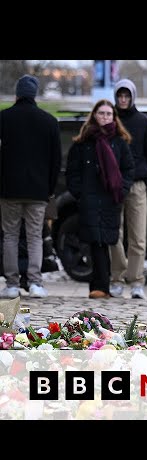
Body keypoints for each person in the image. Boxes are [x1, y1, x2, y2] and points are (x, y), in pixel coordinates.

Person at [65, 99, 135, 299]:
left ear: (114, 117)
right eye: (101, 113)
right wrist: (80, 193)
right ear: (94, 115)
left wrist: (121, 190)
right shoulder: (83, 142)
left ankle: (103, 286)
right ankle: (99, 287)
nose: (105, 117)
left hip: (111, 199)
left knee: (106, 242)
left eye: (108, 114)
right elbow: (72, 172)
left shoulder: (120, 142)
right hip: (89, 199)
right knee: (94, 242)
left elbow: (128, 169)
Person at [0, 74, 62, 299]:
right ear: (35, 94)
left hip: (9, 189)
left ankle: (12, 283)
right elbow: (56, 160)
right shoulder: (48, 121)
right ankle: (35, 282)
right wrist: (49, 188)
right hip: (38, 190)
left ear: (17, 94)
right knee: (35, 236)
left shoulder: (4, 118)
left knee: (10, 236)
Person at [109, 79, 147, 300]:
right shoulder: (109, 121)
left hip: (137, 185)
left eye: (126, 96)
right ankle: (117, 278)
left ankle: (137, 280)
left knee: (138, 236)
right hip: (113, 186)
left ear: (132, 97)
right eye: (120, 96)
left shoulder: (144, 122)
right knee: (115, 235)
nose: (123, 100)